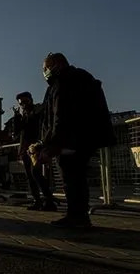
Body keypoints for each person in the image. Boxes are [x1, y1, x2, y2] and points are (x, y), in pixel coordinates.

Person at [31, 52, 115, 228]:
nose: (44, 72)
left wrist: (52, 143)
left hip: (71, 139)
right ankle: (79, 215)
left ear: (56, 65)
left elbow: (60, 116)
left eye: (45, 68)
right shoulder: (81, 78)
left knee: (71, 177)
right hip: (85, 137)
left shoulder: (63, 83)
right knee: (77, 176)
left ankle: (77, 216)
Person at [12, 91, 57, 211]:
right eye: (21, 103)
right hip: (26, 149)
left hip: (36, 147)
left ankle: (49, 200)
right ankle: (37, 200)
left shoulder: (37, 112)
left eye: (25, 102)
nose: (24, 105)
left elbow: (39, 127)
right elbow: (17, 132)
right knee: (30, 176)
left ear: (30, 100)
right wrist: (17, 117)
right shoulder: (24, 116)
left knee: (35, 173)